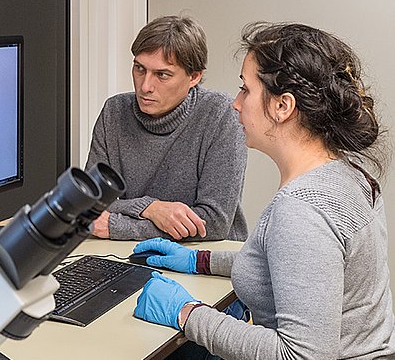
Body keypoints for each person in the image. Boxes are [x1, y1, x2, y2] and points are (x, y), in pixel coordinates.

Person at [133, 22, 395, 359]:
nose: (236, 104)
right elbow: (296, 270)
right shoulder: (348, 174)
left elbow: (301, 356)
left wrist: (186, 313)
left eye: (246, 89)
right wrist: (200, 260)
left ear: (283, 106)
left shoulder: (302, 211)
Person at [86, 15, 248, 241]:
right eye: (139, 69)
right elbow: (90, 203)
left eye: (162, 75)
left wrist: (117, 225)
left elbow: (213, 222)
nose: (145, 86)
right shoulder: (114, 111)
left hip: (203, 259)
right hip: (125, 254)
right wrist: (150, 208)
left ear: (194, 76)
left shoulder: (221, 114)